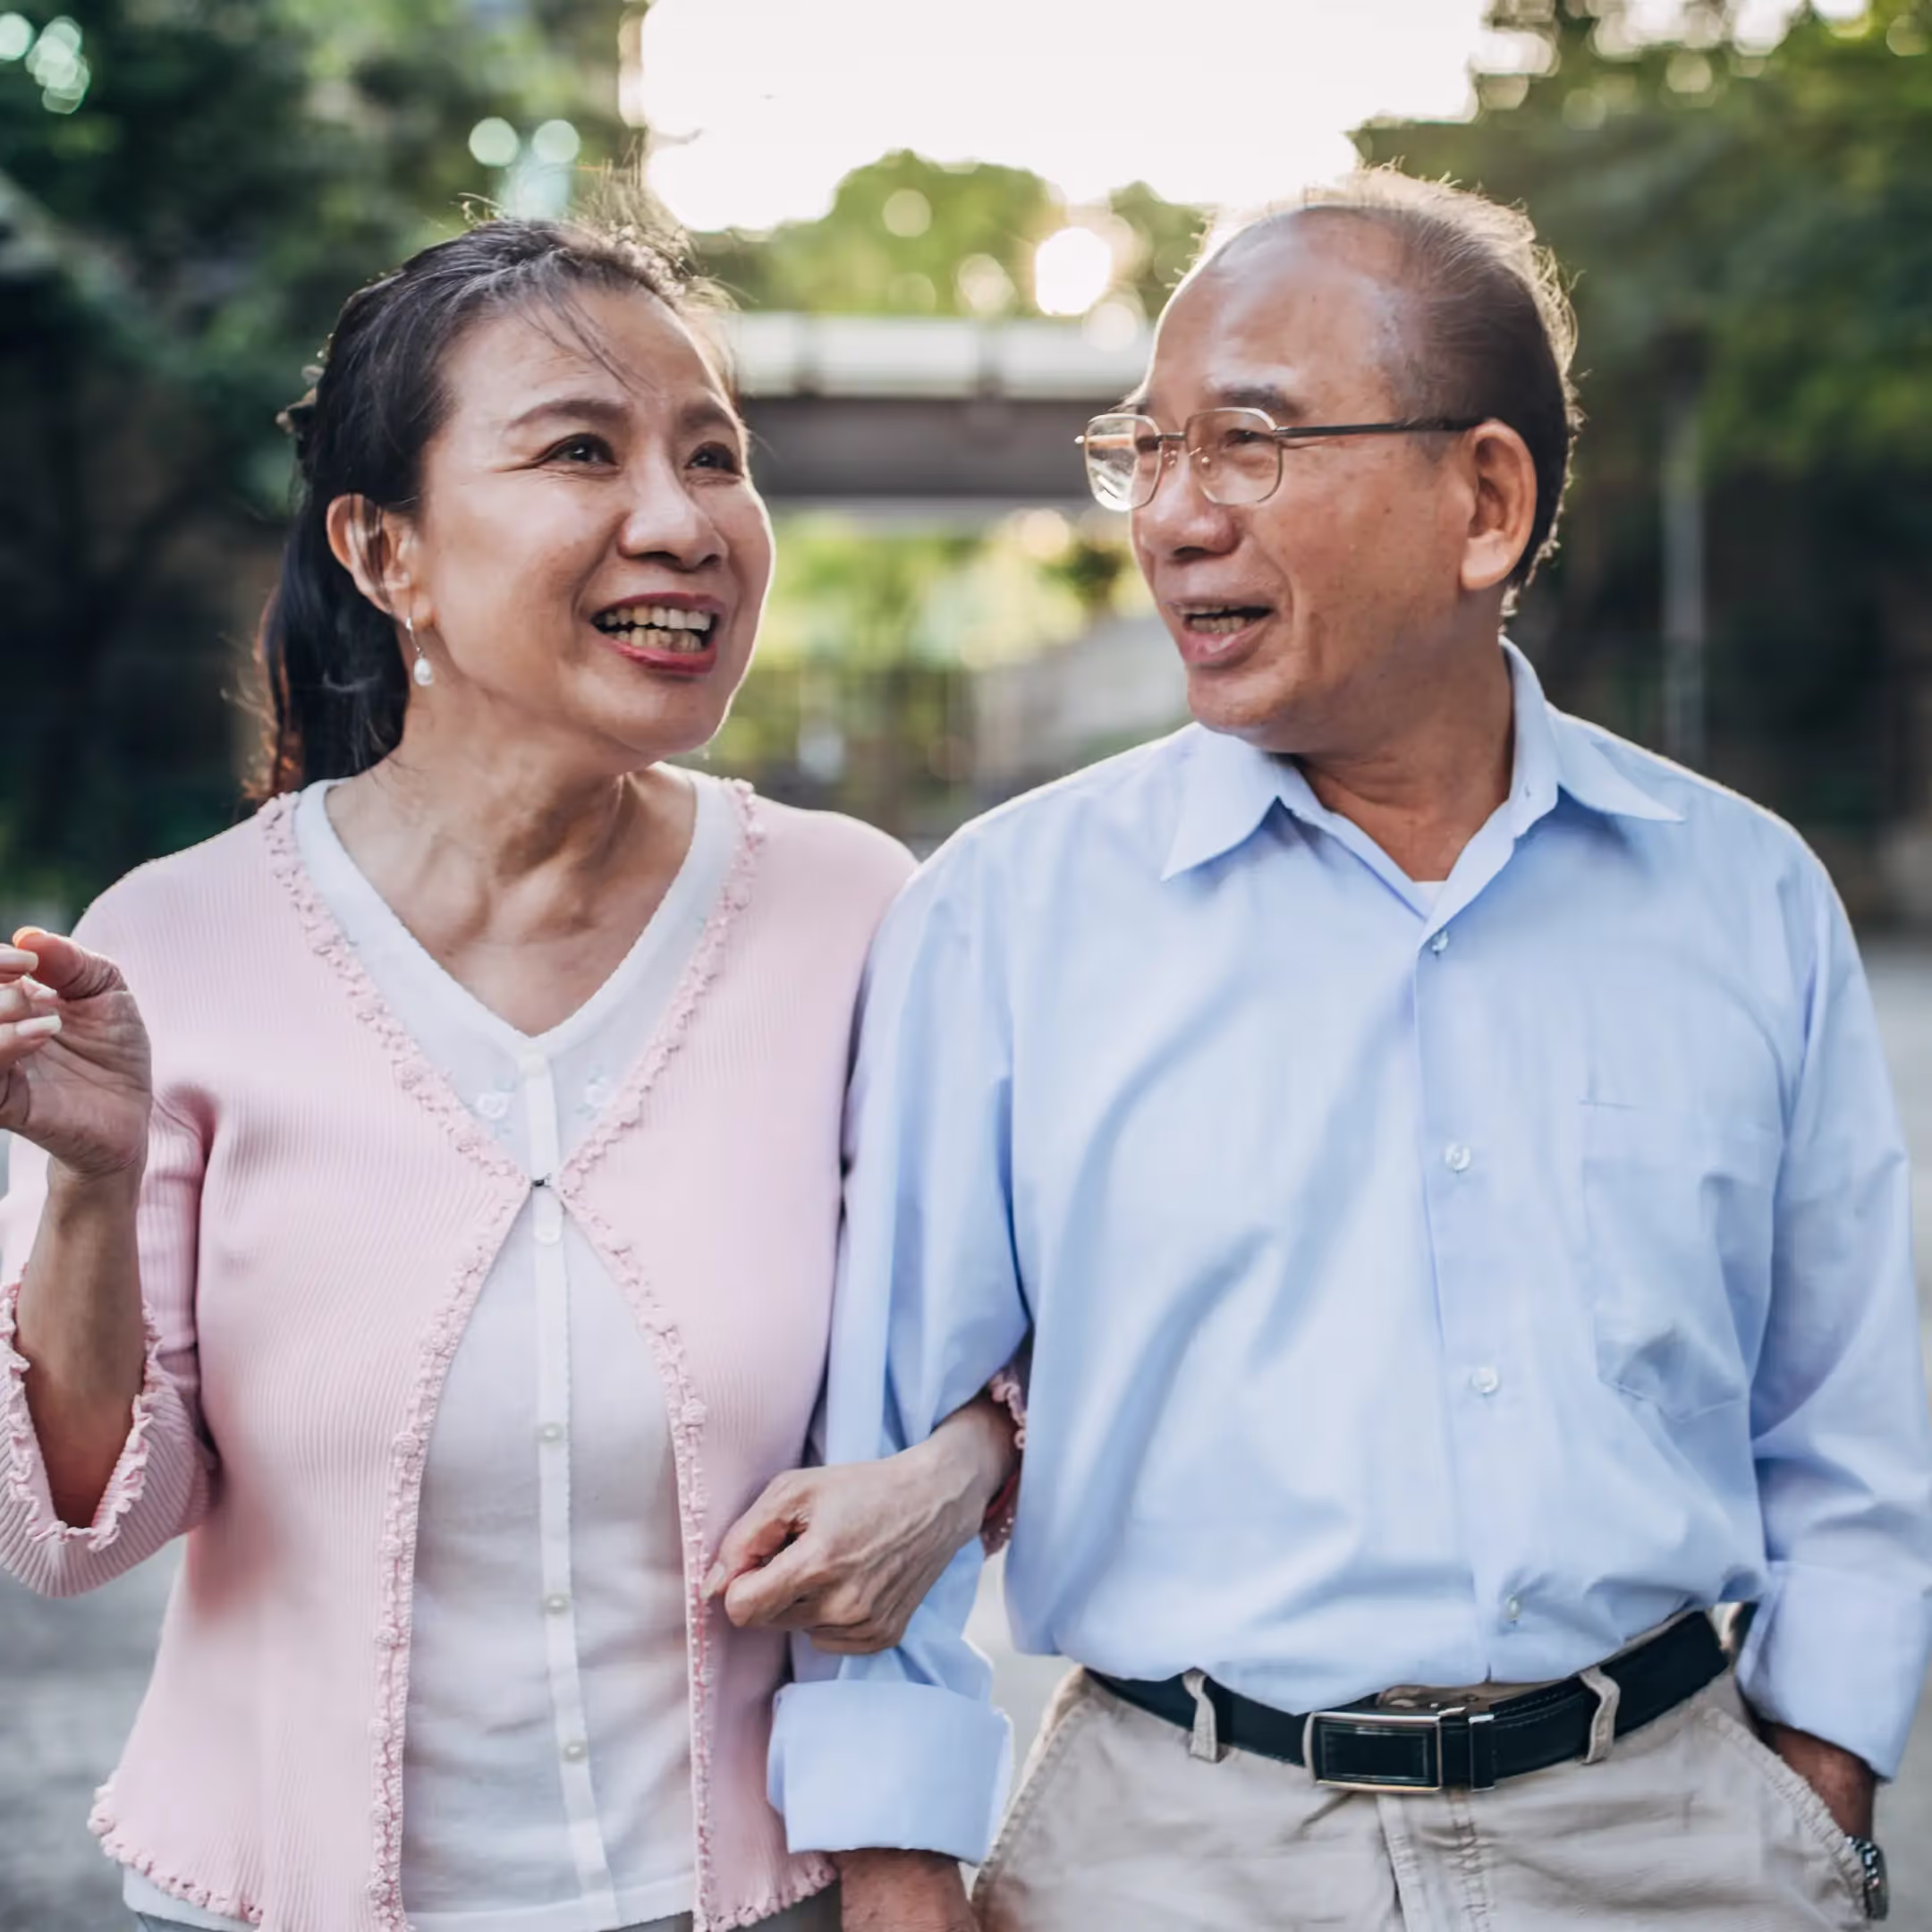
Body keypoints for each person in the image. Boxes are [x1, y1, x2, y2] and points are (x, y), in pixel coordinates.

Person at [764, 171, 1932, 1929]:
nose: (1170, 517)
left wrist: (1820, 1779)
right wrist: (902, 1882)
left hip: (1676, 1849)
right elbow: (887, 1458)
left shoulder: (1743, 897)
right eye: (1143, 453)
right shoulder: (1006, 915)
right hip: (1170, 1857)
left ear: (1485, 499)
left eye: (1245, 444)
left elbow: (1851, 1422)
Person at [0, 215, 1014, 1932]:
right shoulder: (179, 941)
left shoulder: (857, 915)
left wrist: (958, 1476)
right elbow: (85, 1527)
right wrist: (91, 1185)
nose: (684, 523)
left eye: (718, 458)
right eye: (579, 453)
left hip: (758, 1902)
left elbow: (1002, 1357)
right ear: (384, 549)